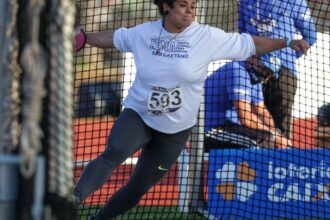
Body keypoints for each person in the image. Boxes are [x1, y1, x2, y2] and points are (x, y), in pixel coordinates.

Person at [74, 0, 310, 219]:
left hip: (175, 130)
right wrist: (83, 37)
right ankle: (72, 200)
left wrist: (287, 42)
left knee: (138, 187)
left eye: (193, 5)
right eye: (183, 5)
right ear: (167, 7)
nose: (190, 10)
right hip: (140, 115)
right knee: (114, 152)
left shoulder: (205, 37)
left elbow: (251, 44)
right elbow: (114, 37)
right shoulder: (144, 33)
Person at [238, 0, 317, 139]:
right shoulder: (245, 2)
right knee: (257, 128)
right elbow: (242, 36)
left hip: (283, 73)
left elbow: (310, 36)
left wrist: (288, 58)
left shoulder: (293, 1)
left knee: (281, 129)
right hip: (253, 73)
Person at [204, 58, 292, 149]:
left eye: (270, 73)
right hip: (212, 129)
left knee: (273, 137)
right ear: (254, 58)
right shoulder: (237, 70)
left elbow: (261, 111)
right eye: (265, 68)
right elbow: (245, 117)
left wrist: (275, 134)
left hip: (233, 127)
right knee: (254, 144)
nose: (267, 75)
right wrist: (274, 137)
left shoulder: (256, 77)